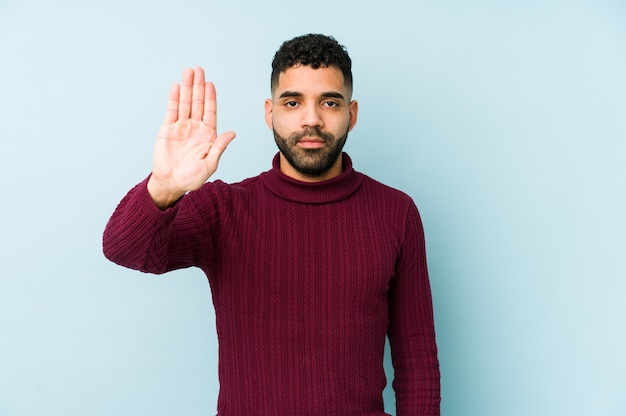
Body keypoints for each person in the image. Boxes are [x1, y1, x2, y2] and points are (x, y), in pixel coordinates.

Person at [103, 34, 440, 415]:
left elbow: (417, 361)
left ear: (352, 113)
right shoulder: (223, 208)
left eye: (330, 102)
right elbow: (124, 250)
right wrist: (165, 186)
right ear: (270, 113)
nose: (311, 119)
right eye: (292, 102)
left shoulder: (396, 212)